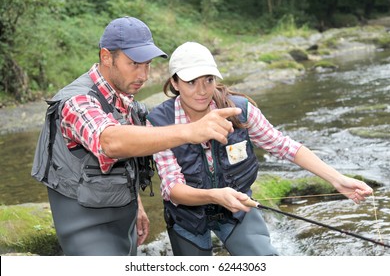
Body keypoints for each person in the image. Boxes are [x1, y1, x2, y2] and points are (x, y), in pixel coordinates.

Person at [31, 18, 241, 256]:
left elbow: (127, 161)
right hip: (86, 230)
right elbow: (110, 142)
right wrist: (190, 131)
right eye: (134, 64)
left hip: (125, 225)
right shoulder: (77, 101)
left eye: (148, 64)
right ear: (106, 57)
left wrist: (137, 207)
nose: (143, 75)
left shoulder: (127, 102)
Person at [146, 41, 373, 256]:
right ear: (175, 83)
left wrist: (336, 179)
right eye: (191, 82)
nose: (202, 91)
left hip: (237, 212)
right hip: (187, 218)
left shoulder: (240, 110)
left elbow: (284, 146)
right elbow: (172, 188)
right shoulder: (158, 123)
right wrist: (215, 195)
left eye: (208, 80)